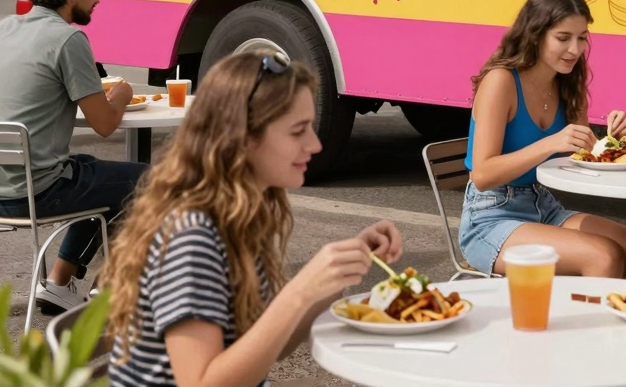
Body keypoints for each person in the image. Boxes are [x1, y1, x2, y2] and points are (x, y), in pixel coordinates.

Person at [102, 48, 402, 387]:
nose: (315, 144)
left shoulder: (237, 212)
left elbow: (272, 345)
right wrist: (300, 291)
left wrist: (331, 279)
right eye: (298, 130)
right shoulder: (193, 236)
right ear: (243, 140)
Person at [461, 0, 626, 277]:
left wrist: (614, 142)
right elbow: (482, 175)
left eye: (582, 38)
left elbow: (583, 156)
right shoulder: (501, 81)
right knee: (602, 256)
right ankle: (589, 310)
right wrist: (550, 144)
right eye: (563, 38)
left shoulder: (568, 82)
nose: (575, 49)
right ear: (535, 35)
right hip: (490, 217)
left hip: (543, 206)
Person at [0, 0, 144, 310]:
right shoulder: (68, 39)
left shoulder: (5, 28)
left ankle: (59, 284)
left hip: (5, 185)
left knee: (93, 171)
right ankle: (108, 288)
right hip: (36, 192)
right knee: (151, 181)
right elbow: (105, 124)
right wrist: (122, 94)